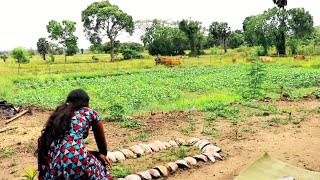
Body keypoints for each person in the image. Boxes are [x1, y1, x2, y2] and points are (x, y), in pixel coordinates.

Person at [35, 89, 112, 180]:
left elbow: (64, 151)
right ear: (86, 102)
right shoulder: (88, 112)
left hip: (54, 163)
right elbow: (101, 143)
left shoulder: (59, 115)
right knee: (100, 174)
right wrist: (102, 154)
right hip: (76, 159)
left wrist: (94, 153)